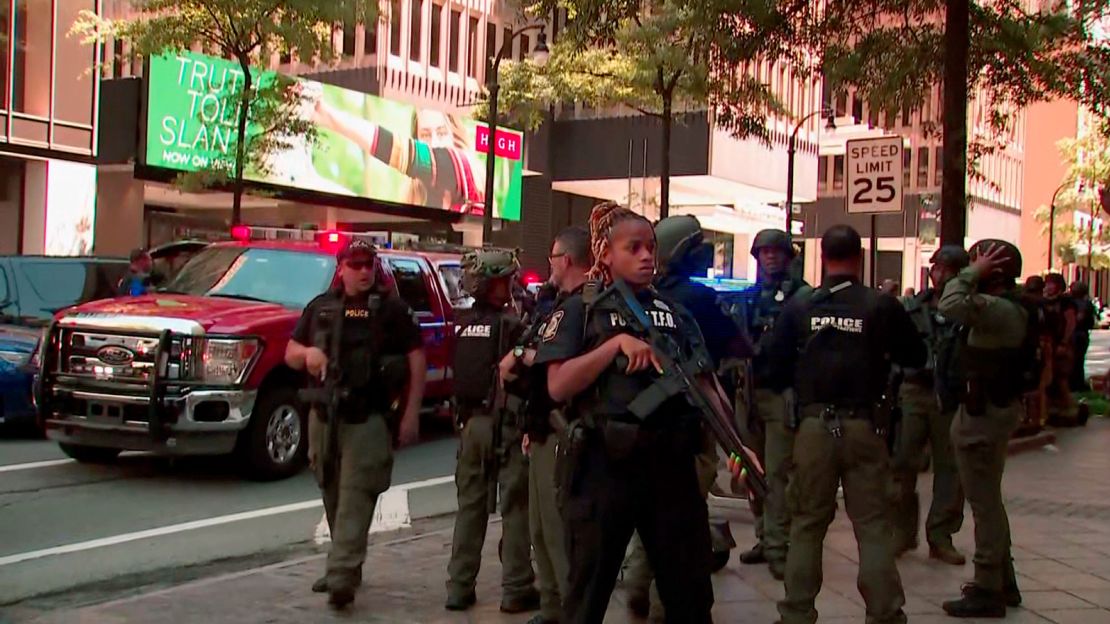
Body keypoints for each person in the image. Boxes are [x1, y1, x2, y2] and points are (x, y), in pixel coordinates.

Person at [536, 201, 715, 623]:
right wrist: (614, 346)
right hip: (606, 465)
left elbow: (706, 382)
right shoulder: (581, 309)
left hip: (670, 466)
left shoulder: (674, 313)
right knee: (588, 594)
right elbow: (558, 384)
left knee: (690, 594)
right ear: (606, 254)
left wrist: (741, 447)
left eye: (650, 247)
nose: (646, 256)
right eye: (633, 248)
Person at [766, 225, 924, 624]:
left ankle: (797, 612)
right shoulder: (881, 306)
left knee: (806, 524)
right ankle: (885, 612)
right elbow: (917, 355)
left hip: (814, 426)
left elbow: (769, 364)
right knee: (872, 524)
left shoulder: (800, 307)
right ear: (860, 258)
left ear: (822, 257)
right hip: (865, 426)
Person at [284, 239, 426, 609]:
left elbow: (416, 360)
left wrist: (411, 413)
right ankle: (344, 563)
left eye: (369, 265)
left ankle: (343, 573)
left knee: (355, 495)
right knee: (331, 492)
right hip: (325, 418)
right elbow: (290, 353)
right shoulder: (321, 308)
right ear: (342, 267)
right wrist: (309, 354)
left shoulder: (392, 311)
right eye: (357, 265)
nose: (364, 271)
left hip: (369, 418)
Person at [621, 215, 751, 618]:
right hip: (690, 421)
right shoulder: (694, 301)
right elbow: (738, 346)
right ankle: (663, 603)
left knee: (651, 511)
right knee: (681, 520)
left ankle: (639, 584)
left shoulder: (638, 298)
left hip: (648, 427)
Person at [499, 227, 591, 624]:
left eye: (553, 257)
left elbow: (552, 360)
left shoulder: (582, 306)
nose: (550, 264)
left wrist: (519, 353)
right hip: (540, 427)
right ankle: (552, 608)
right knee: (539, 529)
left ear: (566, 260)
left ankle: (571, 611)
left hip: (562, 431)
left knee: (558, 535)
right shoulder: (557, 303)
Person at [445, 249, 539, 613]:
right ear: (493, 283)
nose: (512, 285)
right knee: (515, 506)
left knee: (470, 507)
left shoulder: (464, 324)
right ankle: (516, 586)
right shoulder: (513, 327)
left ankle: (459, 585)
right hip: (507, 426)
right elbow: (528, 365)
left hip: (470, 427)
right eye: (506, 280)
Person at [940, 240, 1029, 618]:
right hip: (987, 410)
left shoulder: (1000, 309)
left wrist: (970, 273)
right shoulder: (1007, 308)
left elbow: (950, 304)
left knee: (984, 503)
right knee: (988, 499)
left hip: (983, 416)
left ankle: (988, 587)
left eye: (979, 262)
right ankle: (1003, 580)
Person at [737, 229, 812, 580]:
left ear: (788, 256)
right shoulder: (748, 297)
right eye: (763, 252)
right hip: (749, 391)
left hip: (782, 392)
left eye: (775, 252)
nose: (769, 257)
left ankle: (779, 545)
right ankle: (765, 537)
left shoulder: (802, 297)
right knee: (752, 471)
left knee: (779, 472)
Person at [892, 246, 969, 565]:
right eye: (938, 268)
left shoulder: (968, 309)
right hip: (914, 389)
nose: (942, 274)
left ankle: (941, 536)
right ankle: (901, 532)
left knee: (950, 468)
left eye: (950, 270)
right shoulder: (912, 307)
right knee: (902, 464)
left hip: (950, 394)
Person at [1043, 272, 1078, 424]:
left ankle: (1071, 409)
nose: (1048, 286)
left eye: (1052, 283)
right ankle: (1056, 409)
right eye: (1047, 283)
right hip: (1050, 343)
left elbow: (1070, 322)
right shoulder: (1045, 301)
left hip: (1062, 344)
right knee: (1050, 379)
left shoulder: (1065, 302)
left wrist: (1064, 342)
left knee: (1061, 378)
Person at [1070, 281, 1096, 391]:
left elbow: (1079, 318)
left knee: (1075, 360)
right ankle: (1077, 383)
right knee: (1078, 360)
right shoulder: (1086, 303)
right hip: (1081, 334)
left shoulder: (1074, 303)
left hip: (1077, 334)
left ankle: (1075, 384)